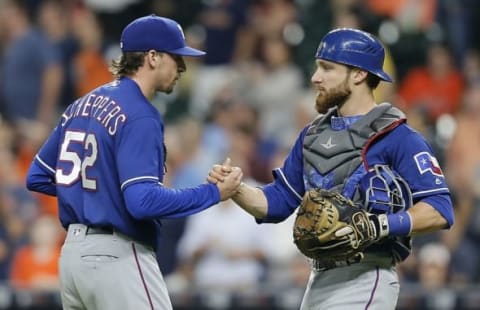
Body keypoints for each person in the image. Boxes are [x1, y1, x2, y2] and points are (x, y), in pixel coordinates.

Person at [208, 28, 454, 310]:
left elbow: (439, 208)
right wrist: (236, 189)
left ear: (359, 74)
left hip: (367, 275)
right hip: (318, 279)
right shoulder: (311, 135)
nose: (315, 77)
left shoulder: (398, 136)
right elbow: (277, 202)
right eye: (317, 66)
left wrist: (380, 225)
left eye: (327, 68)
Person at [25, 15, 242, 310]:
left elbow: (38, 176)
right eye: (176, 57)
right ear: (152, 57)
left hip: (73, 258)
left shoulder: (81, 105)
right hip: (117, 257)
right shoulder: (140, 114)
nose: (181, 67)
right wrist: (214, 193)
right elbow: (143, 202)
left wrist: (96, 198)